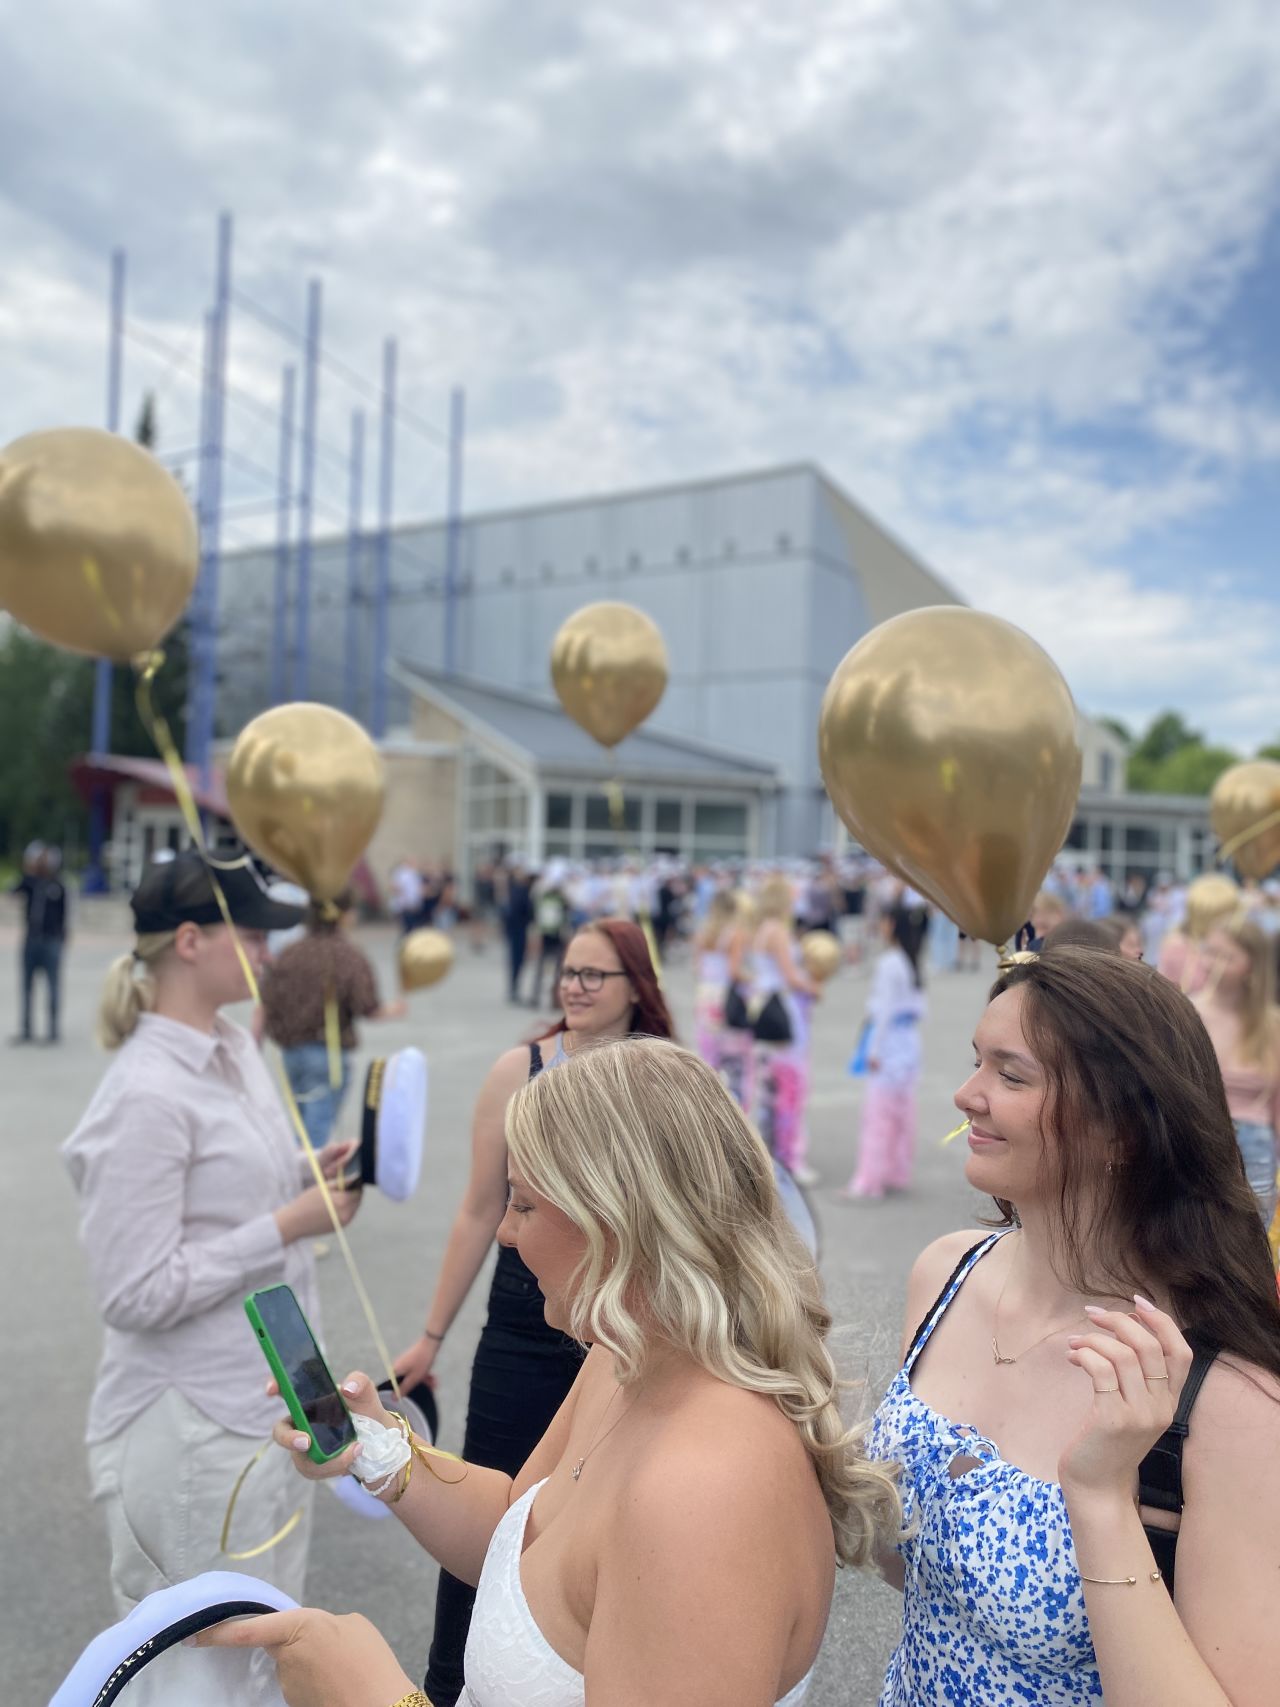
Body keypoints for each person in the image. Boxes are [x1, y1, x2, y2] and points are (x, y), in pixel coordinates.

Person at [198, 1038, 901, 1706]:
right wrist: (379, 1447)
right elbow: (520, 1535)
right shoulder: (626, 1359)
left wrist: (376, 1695)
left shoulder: (705, 1491)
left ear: (617, 1222)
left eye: (526, 1203)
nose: (504, 1231)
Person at [869, 945, 1280, 1705]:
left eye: (1011, 1074)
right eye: (975, 1062)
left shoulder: (1225, 1397)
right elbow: (915, 1569)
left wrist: (1098, 1496)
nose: (966, 1094)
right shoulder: (946, 1273)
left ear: (1121, 1129)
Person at [60, 849, 361, 1707]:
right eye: (252, 931)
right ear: (190, 941)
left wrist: (304, 1181)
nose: (268, 949)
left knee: (264, 1660)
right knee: (197, 1679)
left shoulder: (233, 1049)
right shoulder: (148, 1092)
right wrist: (288, 1224)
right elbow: (132, 1289)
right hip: (189, 1425)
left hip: (260, 1408)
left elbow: (226, 1206)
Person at [392, 918, 676, 1706]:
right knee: (503, 1503)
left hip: (620, 1324)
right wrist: (431, 1335)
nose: (575, 986)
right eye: (568, 970)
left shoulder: (661, 1076)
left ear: (636, 988)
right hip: (523, 1318)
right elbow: (480, 1211)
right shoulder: (518, 1068)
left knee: (608, 1516)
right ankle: (448, 1683)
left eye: (595, 974)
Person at [258, 889, 407, 1150]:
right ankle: (309, 1184)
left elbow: (267, 999)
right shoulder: (346, 954)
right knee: (317, 1132)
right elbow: (366, 1006)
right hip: (327, 1052)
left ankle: (300, 1175)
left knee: (302, 1124)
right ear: (344, 915)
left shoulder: (290, 952)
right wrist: (393, 1010)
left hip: (291, 1053)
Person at [733, 874, 818, 1179]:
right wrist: (814, 986)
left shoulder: (758, 931)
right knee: (790, 1085)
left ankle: (764, 1151)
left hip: (763, 1010)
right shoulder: (778, 932)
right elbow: (791, 976)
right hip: (783, 1009)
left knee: (765, 1083)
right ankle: (789, 1156)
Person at [1196, 916, 1280, 1223]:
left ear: (1252, 967)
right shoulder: (1188, 1011)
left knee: (1253, 1239)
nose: (1213, 963)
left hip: (1255, 1145)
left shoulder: (1270, 1026)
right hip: (1200, 1136)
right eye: (1209, 951)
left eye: (1227, 956)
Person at [843, 904, 928, 1200]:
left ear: (891, 924)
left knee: (878, 1116)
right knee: (901, 1115)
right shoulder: (910, 959)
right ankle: (895, 1171)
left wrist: (873, 1050)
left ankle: (870, 1181)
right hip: (908, 1045)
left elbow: (883, 1011)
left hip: (889, 1042)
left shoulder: (890, 962)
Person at [10, 840, 68, 1044]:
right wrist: (28, 872)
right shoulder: (30, 882)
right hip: (31, 939)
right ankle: (26, 1030)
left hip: (51, 940)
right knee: (26, 986)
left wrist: (62, 940)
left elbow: (66, 914)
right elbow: (13, 892)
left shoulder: (59, 885)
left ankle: (52, 1031)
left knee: (52, 986)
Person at [501, 864, 535, 1004]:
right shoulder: (520, 891)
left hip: (517, 930)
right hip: (518, 931)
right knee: (517, 960)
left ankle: (514, 988)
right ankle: (514, 988)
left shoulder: (517, 891)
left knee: (517, 961)